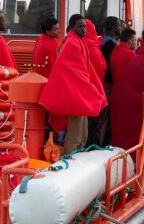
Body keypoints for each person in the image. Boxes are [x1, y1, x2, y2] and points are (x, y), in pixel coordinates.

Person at [39, 14, 107, 154]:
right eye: (80, 26)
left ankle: (75, 159)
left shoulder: (75, 41)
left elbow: (80, 72)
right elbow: (75, 73)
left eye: (84, 27)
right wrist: (90, 90)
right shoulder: (72, 44)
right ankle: (69, 159)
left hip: (77, 95)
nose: (83, 29)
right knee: (76, 136)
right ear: (71, 28)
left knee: (82, 134)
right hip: (75, 96)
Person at [100, 16, 122, 84]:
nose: (121, 28)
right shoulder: (110, 45)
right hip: (109, 84)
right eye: (119, 26)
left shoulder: (106, 42)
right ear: (114, 27)